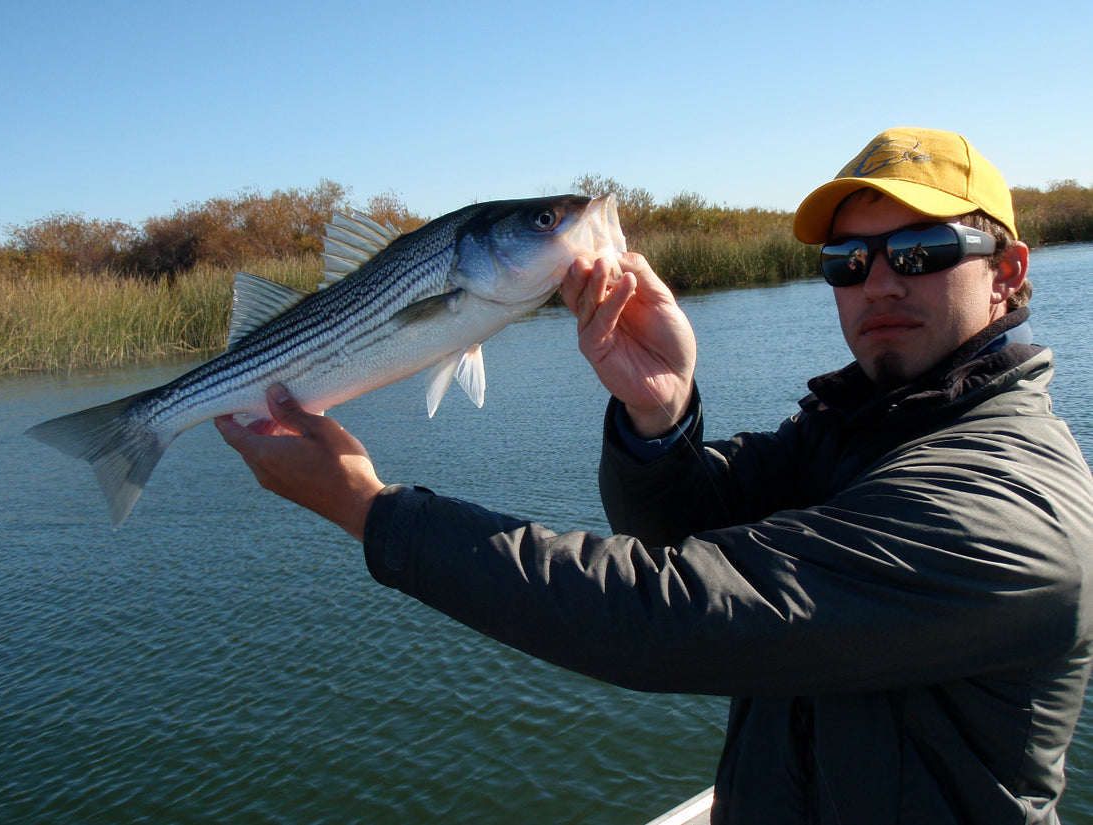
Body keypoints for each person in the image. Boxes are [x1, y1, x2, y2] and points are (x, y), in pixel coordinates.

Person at [215, 127, 1093, 824]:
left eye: (919, 251)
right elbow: (682, 525)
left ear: (1009, 272)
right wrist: (660, 414)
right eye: (846, 261)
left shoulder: (1008, 507)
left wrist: (371, 511)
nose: (875, 283)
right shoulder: (854, 432)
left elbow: (667, 613)